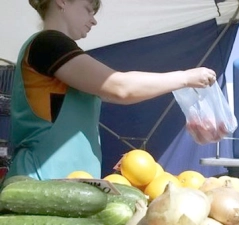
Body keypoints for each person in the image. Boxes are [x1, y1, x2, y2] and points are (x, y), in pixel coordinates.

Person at [6, 0, 217, 181]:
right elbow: (120, 87)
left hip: (69, 183)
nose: (93, 20)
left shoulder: (58, 50)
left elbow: (121, 85)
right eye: (89, 8)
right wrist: (185, 77)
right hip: (43, 182)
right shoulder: (49, 43)